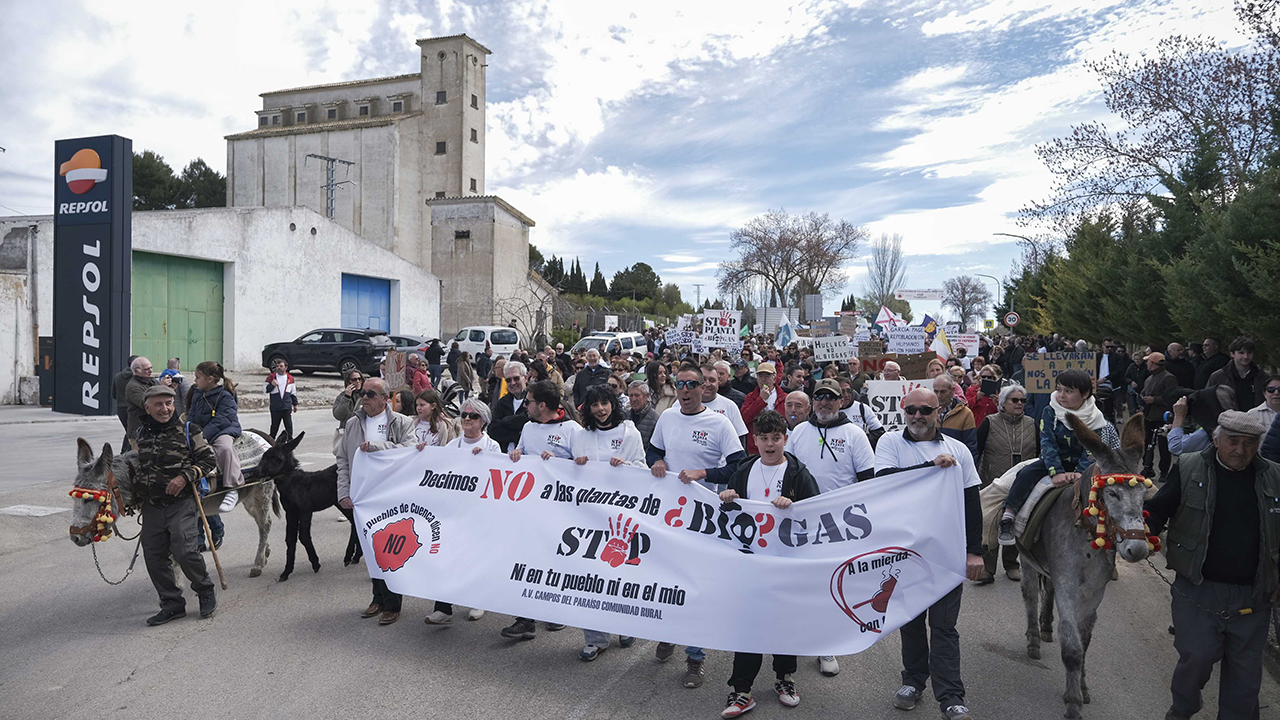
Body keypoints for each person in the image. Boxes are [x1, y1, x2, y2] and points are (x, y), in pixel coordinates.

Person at [1145, 410, 1279, 720]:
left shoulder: (1275, 476)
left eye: (1249, 443)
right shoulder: (1188, 468)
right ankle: (1182, 710)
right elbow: (1157, 510)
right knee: (1197, 658)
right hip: (1198, 590)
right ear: (1216, 440)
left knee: (1246, 679)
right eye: (1233, 441)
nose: (1240, 450)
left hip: (1254, 595)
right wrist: (1140, 535)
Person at [873, 387, 984, 720]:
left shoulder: (958, 449)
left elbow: (971, 503)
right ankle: (913, 680)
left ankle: (951, 696)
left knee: (944, 627)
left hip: (946, 554)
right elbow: (885, 482)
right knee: (910, 622)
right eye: (911, 410)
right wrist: (930, 467)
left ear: (939, 411)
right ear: (903, 411)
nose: (917, 416)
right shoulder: (890, 443)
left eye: (925, 410)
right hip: (905, 554)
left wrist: (974, 552)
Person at [647, 362, 746, 687]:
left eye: (692, 384)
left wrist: (704, 473)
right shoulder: (667, 417)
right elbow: (653, 450)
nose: (686, 390)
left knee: (695, 587)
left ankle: (694, 657)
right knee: (667, 580)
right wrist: (657, 461)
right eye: (681, 384)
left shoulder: (719, 423)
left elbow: (738, 465)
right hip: (669, 517)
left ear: (704, 387)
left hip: (703, 520)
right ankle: (668, 632)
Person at [719, 409, 818, 717]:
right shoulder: (744, 471)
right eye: (764, 438)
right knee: (748, 625)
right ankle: (741, 690)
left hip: (785, 564)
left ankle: (784, 678)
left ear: (785, 439)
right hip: (750, 564)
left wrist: (795, 506)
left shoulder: (799, 474)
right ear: (755, 440)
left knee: (783, 622)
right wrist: (728, 496)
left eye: (776, 438)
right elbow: (727, 514)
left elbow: (817, 512)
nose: (770, 444)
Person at [784, 379, 874, 678]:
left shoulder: (855, 434)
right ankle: (797, 635)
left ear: (841, 401)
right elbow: (786, 471)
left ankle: (826, 645)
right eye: (819, 397)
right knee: (799, 583)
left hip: (839, 525)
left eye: (831, 397)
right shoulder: (799, 431)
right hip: (801, 521)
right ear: (813, 402)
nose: (824, 402)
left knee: (830, 585)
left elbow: (868, 479)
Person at [998, 370, 1120, 546]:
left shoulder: (1096, 417)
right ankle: (1009, 516)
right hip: (1053, 462)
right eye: (1059, 389)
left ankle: (1118, 530)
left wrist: (1080, 472)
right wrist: (1056, 472)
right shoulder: (1050, 411)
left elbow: (1091, 448)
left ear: (1085, 393)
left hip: (1085, 465)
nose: (1061, 395)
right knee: (1025, 473)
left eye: (1068, 391)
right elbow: (1047, 442)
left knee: (1113, 489)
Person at [500, 380, 581, 641]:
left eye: (529, 401)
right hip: (530, 506)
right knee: (527, 559)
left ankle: (557, 609)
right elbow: (523, 451)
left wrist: (561, 463)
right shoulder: (528, 427)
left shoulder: (572, 430)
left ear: (542, 405)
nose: (525, 405)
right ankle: (526, 619)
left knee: (556, 560)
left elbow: (584, 468)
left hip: (561, 509)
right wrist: (517, 453)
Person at [571, 383, 645, 660]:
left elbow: (643, 467)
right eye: (594, 405)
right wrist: (573, 464)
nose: (600, 409)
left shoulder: (630, 433)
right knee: (589, 576)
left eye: (605, 403)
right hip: (590, 517)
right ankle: (595, 638)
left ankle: (625, 625)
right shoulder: (582, 436)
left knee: (620, 574)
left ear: (613, 404)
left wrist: (627, 467)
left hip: (621, 516)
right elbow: (567, 473)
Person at [134, 384, 218, 626]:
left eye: (169, 403)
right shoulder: (140, 433)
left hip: (181, 502)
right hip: (151, 505)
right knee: (154, 557)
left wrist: (184, 477)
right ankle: (172, 604)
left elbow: (209, 460)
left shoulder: (189, 430)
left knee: (185, 551)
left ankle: (205, 590)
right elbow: (134, 464)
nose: (165, 409)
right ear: (147, 408)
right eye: (158, 404)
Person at [336, 377, 415, 625]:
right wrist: (343, 492)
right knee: (371, 549)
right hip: (363, 496)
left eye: (370, 394)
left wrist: (377, 447)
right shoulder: (353, 423)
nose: (364, 398)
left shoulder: (402, 422)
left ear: (385, 398)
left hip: (391, 496)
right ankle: (377, 598)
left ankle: (393, 603)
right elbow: (342, 459)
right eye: (362, 393)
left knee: (390, 549)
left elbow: (409, 452)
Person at [974, 384, 1036, 583]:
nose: (1019, 404)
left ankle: (1011, 565)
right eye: (1014, 400)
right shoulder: (989, 422)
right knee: (990, 522)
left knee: (1015, 521)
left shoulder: (1032, 423)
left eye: (1022, 401)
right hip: (993, 481)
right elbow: (976, 451)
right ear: (1003, 402)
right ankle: (987, 569)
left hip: (1022, 484)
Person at [186, 361, 245, 521]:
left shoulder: (225, 396)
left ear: (210, 379)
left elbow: (222, 420)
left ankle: (233, 487)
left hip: (223, 430)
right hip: (201, 431)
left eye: (198, 377)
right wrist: (188, 431)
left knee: (224, 448)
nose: (195, 380)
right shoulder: (197, 394)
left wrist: (202, 436)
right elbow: (191, 416)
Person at [1206, 336, 1267, 412]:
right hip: (1227, 418)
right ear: (1232, 354)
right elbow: (1207, 400)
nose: (1246, 356)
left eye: (1249, 353)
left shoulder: (1262, 377)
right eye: (1241, 353)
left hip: (1256, 418)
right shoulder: (1217, 377)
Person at [1141, 352, 1177, 479]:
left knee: (1163, 446)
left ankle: (1164, 472)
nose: (1146, 364)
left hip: (1162, 417)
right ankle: (1147, 468)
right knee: (1146, 443)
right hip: (1149, 415)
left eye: (1148, 361)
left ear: (1152, 363)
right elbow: (1144, 392)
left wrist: (1154, 400)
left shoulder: (1169, 378)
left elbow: (1172, 397)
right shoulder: (1149, 378)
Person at [741, 362, 787, 455]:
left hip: (780, 446)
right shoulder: (751, 397)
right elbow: (744, 418)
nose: (763, 379)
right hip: (756, 448)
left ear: (774, 378)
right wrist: (761, 400)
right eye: (760, 376)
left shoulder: (784, 397)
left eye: (767, 376)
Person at [700, 362, 749, 441]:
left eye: (712, 380)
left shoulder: (730, 405)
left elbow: (740, 436)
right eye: (703, 380)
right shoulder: (683, 405)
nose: (707, 384)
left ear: (717, 382)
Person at [489, 362, 530, 452]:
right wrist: (517, 432)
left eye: (516, 378)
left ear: (526, 378)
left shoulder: (534, 402)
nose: (513, 383)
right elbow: (492, 430)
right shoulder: (502, 402)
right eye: (508, 380)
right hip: (504, 454)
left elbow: (533, 432)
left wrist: (505, 422)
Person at [935, 375, 977, 462]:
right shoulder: (927, 412)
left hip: (956, 464)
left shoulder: (965, 413)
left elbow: (970, 446)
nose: (939, 395)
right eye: (936, 391)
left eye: (943, 392)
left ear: (953, 391)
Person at [125, 356, 158, 443]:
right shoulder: (133, 386)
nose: (150, 371)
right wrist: (162, 387)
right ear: (136, 371)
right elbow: (147, 404)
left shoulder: (152, 381)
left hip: (153, 429)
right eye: (146, 369)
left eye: (151, 368)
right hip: (138, 432)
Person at [264, 359, 298, 439]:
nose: (279, 368)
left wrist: (295, 404)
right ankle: (271, 442)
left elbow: (293, 392)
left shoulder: (290, 378)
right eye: (277, 366)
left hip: (286, 407)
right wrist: (272, 385)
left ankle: (290, 442)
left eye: (281, 366)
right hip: (275, 407)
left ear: (286, 368)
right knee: (274, 427)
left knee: (289, 427)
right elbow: (265, 390)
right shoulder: (271, 377)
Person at [112, 355, 140, 452]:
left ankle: (124, 451)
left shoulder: (117, 376)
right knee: (132, 432)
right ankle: (127, 452)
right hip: (134, 408)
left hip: (121, 409)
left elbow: (114, 395)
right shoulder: (137, 378)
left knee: (129, 431)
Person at [627, 381, 659, 449]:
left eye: (637, 395)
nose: (633, 399)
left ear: (647, 396)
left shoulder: (655, 420)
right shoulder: (624, 417)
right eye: (631, 395)